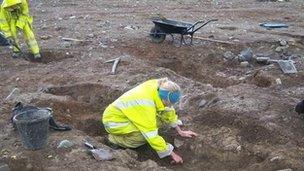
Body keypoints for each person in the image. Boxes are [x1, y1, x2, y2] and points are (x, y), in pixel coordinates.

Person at [102, 78, 197, 164]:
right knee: (142, 136)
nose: (169, 105)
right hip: (114, 121)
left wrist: (180, 131)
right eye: (168, 103)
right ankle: (114, 140)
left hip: (129, 114)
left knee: (160, 119)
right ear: (163, 98)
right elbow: (151, 134)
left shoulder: (161, 87)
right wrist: (171, 153)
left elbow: (168, 110)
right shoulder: (146, 105)